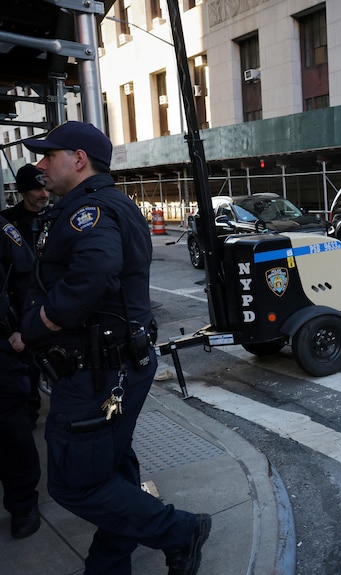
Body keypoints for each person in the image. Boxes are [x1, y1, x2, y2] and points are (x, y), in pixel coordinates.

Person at [18, 121, 211, 575]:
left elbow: (95, 270)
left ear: (79, 159)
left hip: (97, 374)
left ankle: (179, 531)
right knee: (112, 472)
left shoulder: (91, 209)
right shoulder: (106, 202)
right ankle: (107, 567)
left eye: (49, 155)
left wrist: (39, 324)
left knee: (75, 485)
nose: (40, 164)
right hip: (117, 365)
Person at [0, 213, 41, 539]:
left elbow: (27, 280)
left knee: (10, 430)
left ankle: (23, 502)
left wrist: (21, 330)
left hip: (1, 345)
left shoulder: (3, 229)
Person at [2, 163, 51, 428]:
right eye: (36, 188)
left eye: (45, 187)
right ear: (23, 191)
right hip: (20, 311)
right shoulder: (7, 223)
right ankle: (28, 420)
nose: (43, 194)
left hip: (52, 308)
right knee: (26, 375)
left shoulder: (56, 218)